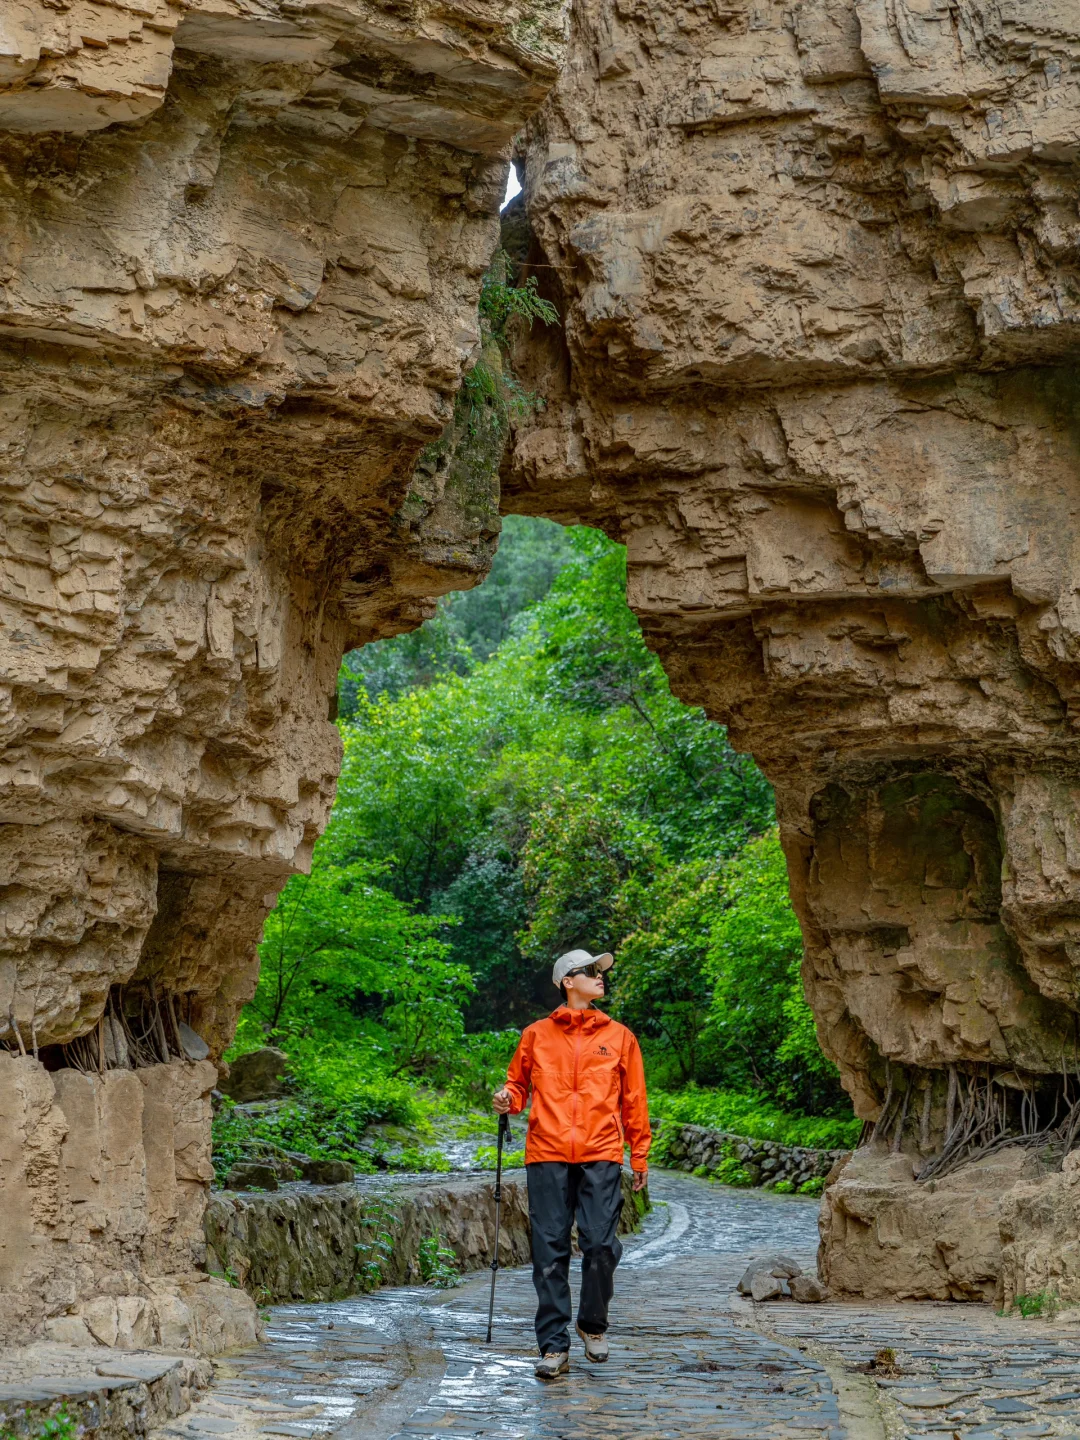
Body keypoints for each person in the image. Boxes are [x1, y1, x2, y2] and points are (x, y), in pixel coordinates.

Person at [492, 947, 650, 1380]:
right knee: (549, 1252)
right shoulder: (536, 1035)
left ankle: (592, 1324)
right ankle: (553, 1346)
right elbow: (517, 1085)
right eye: (591, 972)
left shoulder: (620, 1037)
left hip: (601, 1153)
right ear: (568, 981)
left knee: (600, 1246)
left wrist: (639, 1154)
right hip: (547, 1153)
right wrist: (507, 1098)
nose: (601, 977)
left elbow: (634, 1100)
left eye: (601, 972)